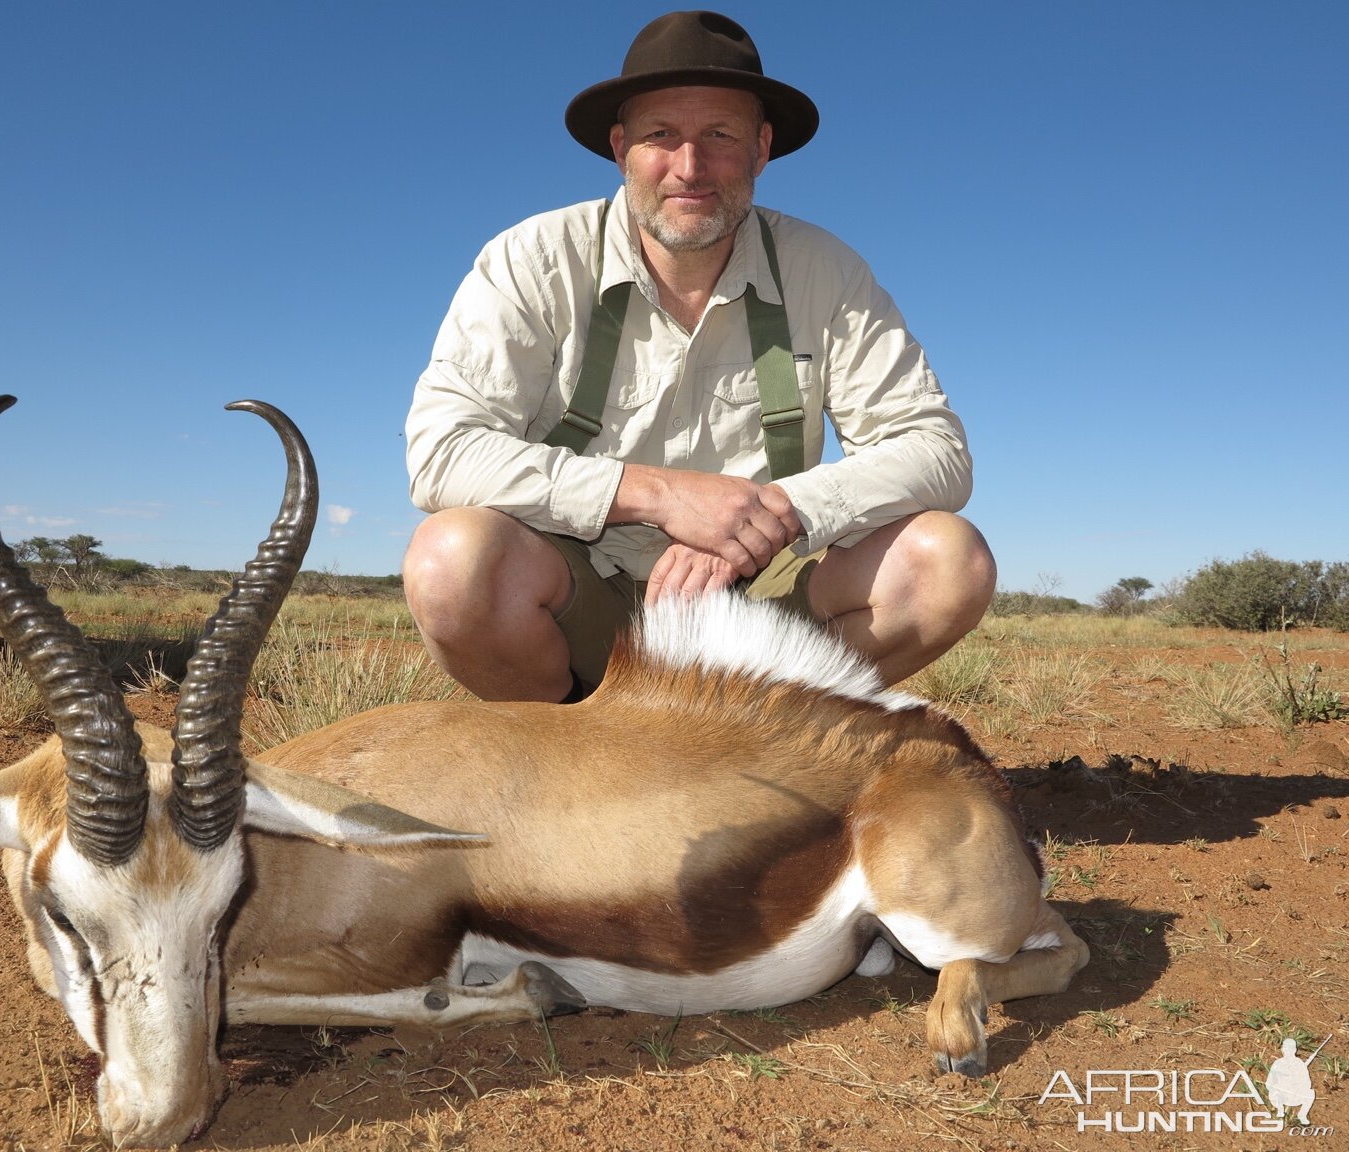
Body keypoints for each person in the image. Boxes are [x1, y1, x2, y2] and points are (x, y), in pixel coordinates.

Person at [404, 10, 994, 703]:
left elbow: (937, 449)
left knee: (947, 562)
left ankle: (759, 742)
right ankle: (567, 758)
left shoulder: (825, 270)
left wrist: (767, 513)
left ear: (761, 149)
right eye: (661, 136)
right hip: (580, 590)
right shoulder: (531, 258)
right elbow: (441, 453)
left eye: (720, 135)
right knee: (452, 562)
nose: (690, 167)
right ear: (622, 146)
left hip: (753, 611)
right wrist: (662, 495)